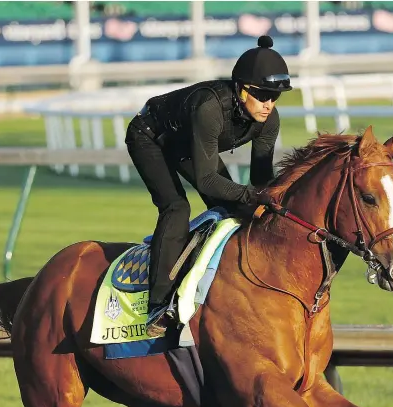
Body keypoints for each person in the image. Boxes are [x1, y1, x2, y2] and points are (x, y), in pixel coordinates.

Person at [125, 35, 292, 337]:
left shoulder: (269, 120)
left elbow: (260, 180)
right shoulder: (210, 108)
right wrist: (251, 195)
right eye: (262, 95)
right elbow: (207, 181)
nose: (269, 105)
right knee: (176, 207)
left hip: (186, 143)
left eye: (275, 97)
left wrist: (273, 198)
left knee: (234, 208)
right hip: (149, 136)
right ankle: (158, 305)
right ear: (241, 90)